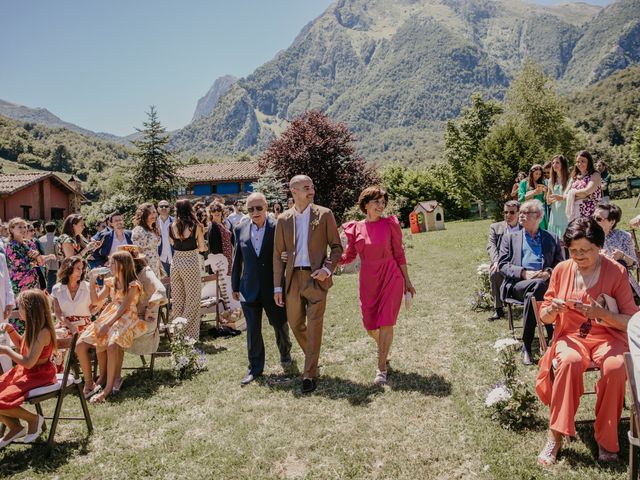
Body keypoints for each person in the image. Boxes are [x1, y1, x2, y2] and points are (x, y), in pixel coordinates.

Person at [535, 218, 638, 464]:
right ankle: (555, 437)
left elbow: (632, 322)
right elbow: (544, 315)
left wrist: (602, 314)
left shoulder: (616, 271)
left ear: (599, 247)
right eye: (573, 250)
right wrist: (554, 310)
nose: (579, 256)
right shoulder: (561, 270)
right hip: (571, 337)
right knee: (569, 362)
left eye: (586, 250)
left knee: (615, 367)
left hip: (609, 336)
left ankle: (606, 439)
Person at [273, 175, 343, 393]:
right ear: (293, 191)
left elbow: (337, 247)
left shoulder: (324, 214)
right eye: (306, 187)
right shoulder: (283, 219)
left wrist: (326, 269)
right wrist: (277, 286)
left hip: (316, 279)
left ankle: (309, 374)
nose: (311, 190)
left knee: (314, 326)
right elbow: (278, 255)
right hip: (293, 280)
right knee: (295, 324)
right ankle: (313, 357)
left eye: (312, 186)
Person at [340, 187, 415, 385]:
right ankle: (384, 347)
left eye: (383, 202)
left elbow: (399, 253)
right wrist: (329, 261)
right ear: (365, 205)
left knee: (386, 322)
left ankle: (381, 368)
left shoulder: (390, 224)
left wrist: (407, 280)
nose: (381, 206)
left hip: (391, 275)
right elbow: (349, 256)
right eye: (377, 202)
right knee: (370, 325)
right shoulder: (355, 228)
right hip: (368, 279)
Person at [231, 193, 292, 385]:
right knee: (253, 331)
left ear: (266, 207)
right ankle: (255, 368)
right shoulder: (240, 228)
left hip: (273, 287)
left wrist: (286, 256)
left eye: (259, 208)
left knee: (279, 323)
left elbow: (289, 250)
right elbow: (237, 259)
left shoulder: (277, 227)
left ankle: (285, 351)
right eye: (250, 209)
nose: (255, 212)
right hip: (249, 287)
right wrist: (235, 285)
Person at [498, 199, 564, 365]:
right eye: (521, 212)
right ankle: (551, 334)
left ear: (539, 216)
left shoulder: (552, 238)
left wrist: (548, 273)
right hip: (517, 284)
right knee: (537, 286)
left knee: (535, 291)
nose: (521, 215)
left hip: (543, 285)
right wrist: (524, 273)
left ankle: (526, 345)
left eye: (527, 212)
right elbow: (502, 265)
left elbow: (560, 265)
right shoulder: (510, 238)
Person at [77, 251, 146, 402]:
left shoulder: (133, 284)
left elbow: (124, 308)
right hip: (110, 313)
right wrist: (92, 281)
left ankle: (106, 390)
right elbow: (96, 301)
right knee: (81, 343)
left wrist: (107, 325)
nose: (109, 266)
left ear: (122, 265)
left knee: (112, 344)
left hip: (126, 316)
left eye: (112, 263)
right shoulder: (110, 282)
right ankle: (91, 382)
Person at [0, 289, 57, 446]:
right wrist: (11, 331)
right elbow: (23, 346)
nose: (19, 312)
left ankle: (33, 420)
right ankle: (15, 427)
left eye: (21, 308)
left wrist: (6, 351)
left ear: (31, 309)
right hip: (25, 372)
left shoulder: (43, 332)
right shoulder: (32, 327)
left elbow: (29, 362)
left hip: (38, 374)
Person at [169, 199, 206, 341]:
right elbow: (202, 247)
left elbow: (173, 244)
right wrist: (201, 247)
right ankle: (187, 334)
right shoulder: (195, 226)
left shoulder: (171, 226)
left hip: (176, 262)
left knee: (178, 300)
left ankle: (177, 335)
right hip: (190, 261)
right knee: (193, 300)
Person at [51, 256, 96, 371]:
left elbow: (94, 308)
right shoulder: (57, 288)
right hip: (65, 324)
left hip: (84, 324)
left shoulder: (87, 287)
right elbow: (58, 313)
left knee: (85, 339)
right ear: (68, 269)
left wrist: (97, 306)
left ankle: (81, 372)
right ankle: (57, 373)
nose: (81, 272)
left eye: (82, 269)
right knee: (56, 337)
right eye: (77, 268)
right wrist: (71, 326)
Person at [122, 245, 167, 357]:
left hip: (144, 319)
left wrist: (150, 308)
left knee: (111, 334)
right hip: (129, 318)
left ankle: (112, 373)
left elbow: (161, 290)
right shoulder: (129, 275)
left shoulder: (146, 272)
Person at [5, 218, 42, 335]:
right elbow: (19, 265)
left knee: (34, 312)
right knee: (20, 314)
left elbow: (41, 263)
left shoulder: (30, 243)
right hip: (19, 286)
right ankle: (19, 342)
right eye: (19, 227)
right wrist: (34, 260)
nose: (23, 230)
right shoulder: (10, 245)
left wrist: (37, 257)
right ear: (11, 229)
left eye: (25, 227)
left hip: (33, 284)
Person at [594, 203, 640, 296]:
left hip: (621, 284)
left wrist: (622, 256)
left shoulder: (623, 236)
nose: (594, 221)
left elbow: (634, 265)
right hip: (595, 283)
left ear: (612, 222)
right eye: (593, 217)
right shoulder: (587, 237)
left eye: (599, 219)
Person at [486, 201, 521, 321]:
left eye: (512, 212)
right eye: (506, 212)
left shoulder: (525, 227)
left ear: (519, 213)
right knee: (495, 272)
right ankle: (499, 309)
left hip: (520, 263)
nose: (508, 215)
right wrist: (496, 261)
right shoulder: (495, 228)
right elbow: (491, 246)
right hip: (502, 263)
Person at [565, 150, 602, 222]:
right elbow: (565, 195)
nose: (580, 164)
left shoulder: (595, 175)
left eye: (583, 161)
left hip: (590, 211)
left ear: (589, 162)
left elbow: (587, 191)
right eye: (578, 162)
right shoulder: (574, 177)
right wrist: (583, 196)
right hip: (574, 211)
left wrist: (573, 194)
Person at [132, 202, 164, 278]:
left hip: (155, 266)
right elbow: (138, 252)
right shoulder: (139, 230)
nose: (153, 215)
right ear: (144, 215)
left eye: (154, 212)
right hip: (146, 268)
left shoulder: (153, 229)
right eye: (150, 213)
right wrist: (147, 268)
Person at [546, 155, 571, 240]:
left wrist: (562, 198)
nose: (554, 165)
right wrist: (551, 199)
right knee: (555, 242)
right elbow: (547, 201)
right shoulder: (551, 180)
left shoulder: (570, 179)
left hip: (566, 215)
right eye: (553, 163)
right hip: (554, 216)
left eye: (557, 162)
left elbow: (575, 197)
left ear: (563, 164)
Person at [207, 201, 234, 275]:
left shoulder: (223, 224)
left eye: (218, 210)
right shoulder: (213, 226)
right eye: (214, 210)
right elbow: (213, 249)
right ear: (211, 213)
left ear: (222, 212)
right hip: (220, 262)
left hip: (227, 258)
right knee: (221, 284)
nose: (216, 212)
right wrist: (218, 264)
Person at [518, 165, 548, 230]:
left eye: (540, 174)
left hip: (540, 212)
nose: (538, 176)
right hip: (528, 212)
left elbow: (544, 200)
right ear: (531, 173)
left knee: (541, 234)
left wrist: (546, 192)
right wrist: (534, 192)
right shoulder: (524, 182)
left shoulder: (541, 183)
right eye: (536, 173)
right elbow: (521, 198)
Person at [39, 222, 59, 293]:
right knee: (51, 285)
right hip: (53, 265)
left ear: (45, 229)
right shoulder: (56, 239)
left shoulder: (40, 239)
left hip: (41, 265)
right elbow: (58, 253)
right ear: (55, 230)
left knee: (43, 284)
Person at [156, 200, 174, 276]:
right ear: (157, 209)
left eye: (166, 206)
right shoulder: (154, 222)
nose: (164, 208)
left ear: (169, 209)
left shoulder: (175, 221)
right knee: (163, 284)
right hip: (160, 258)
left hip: (174, 257)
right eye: (161, 206)